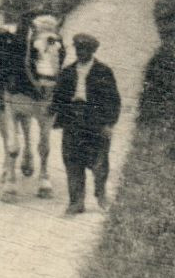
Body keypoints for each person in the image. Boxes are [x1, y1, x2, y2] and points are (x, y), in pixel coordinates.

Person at [50, 32, 122, 215]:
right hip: (73, 120)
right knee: (72, 160)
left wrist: (109, 124)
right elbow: (58, 97)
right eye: (78, 49)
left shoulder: (103, 72)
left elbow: (113, 100)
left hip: (96, 121)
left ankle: (101, 195)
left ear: (92, 51)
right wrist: (53, 113)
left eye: (85, 49)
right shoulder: (67, 72)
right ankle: (76, 202)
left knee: (99, 161)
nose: (80, 52)